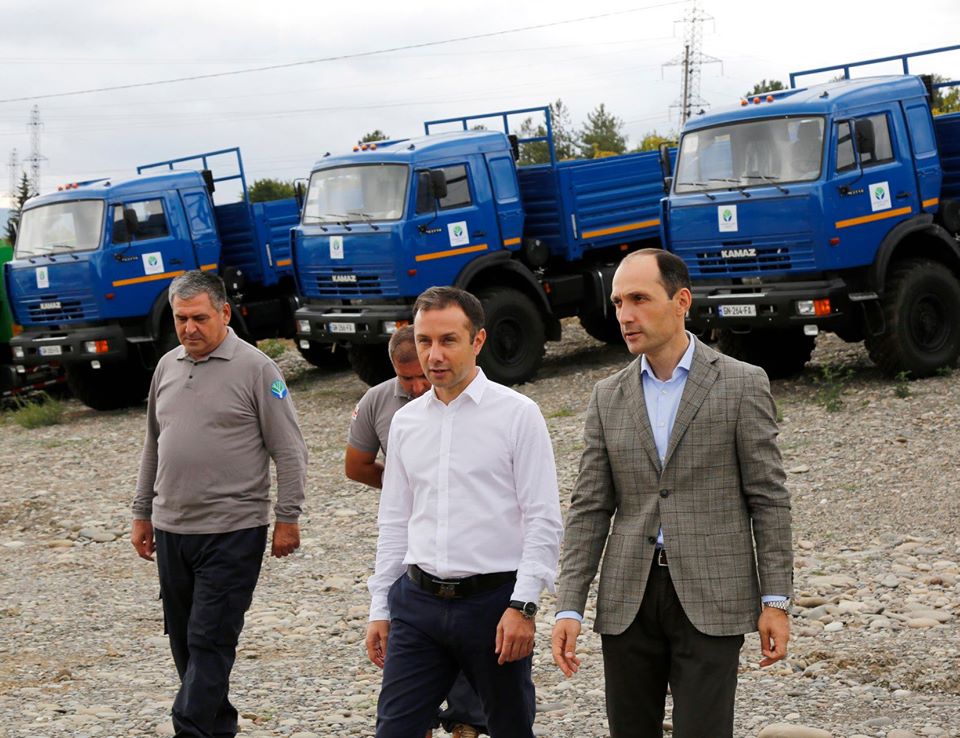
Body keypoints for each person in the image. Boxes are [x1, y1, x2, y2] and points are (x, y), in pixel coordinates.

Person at [551, 248, 793, 738]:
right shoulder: (607, 396)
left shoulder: (742, 384)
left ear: (681, 301)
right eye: (618, 302)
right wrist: (569, 604)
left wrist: (776, 600)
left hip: (714, 593)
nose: (625, 315)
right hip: (628, 597)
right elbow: (590, 507)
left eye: (639, 299)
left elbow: (768, 497)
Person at [365, 286, 563, 738]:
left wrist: (524, 605)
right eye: (424, 341)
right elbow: (394, 521)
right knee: (394, 731)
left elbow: (543, 518)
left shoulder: (518, 415)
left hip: (493, 606)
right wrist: (380, 606)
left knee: (510, 728)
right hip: (417, 605)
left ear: (478, 341)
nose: (433, 355)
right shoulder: (405, 422)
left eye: (448, 340)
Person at [130, 270, 308, 738]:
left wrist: (287, 517)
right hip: (172, 529)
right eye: (181, 318)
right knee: (186, 645)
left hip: (233, 530)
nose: (189, 328)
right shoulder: (166, 366)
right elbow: (153, 443)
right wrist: (141, 512)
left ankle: (188, 728)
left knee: (210, 639)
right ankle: (218, 728)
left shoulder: (257, 369)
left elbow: (290, 449)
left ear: (224, 313)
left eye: (199, 318)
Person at [346, 325, 487, 738]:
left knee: (466, 619)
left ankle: (465, 719)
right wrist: (408, 489)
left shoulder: (473, 395)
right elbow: (355, 465)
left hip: (468, 541)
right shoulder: (378, 401)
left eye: (419, 376)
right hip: (411, 537)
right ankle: (419, 718)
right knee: (414, 627)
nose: (416, 385)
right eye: (405, 378)